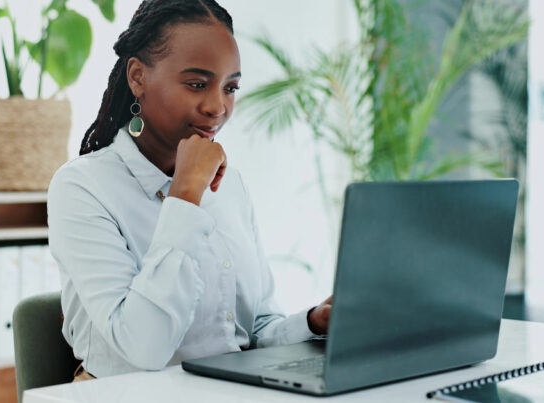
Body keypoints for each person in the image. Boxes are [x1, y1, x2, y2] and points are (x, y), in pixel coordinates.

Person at [47, 0, 332, 382]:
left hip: (224, 391)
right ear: (138, 77)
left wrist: (313, 323)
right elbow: (143, 350)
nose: (218, 106)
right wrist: (185, 195)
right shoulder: (82, 187)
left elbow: (254, 330)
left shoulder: (230, 185)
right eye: (197, 84)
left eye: (230, 87)